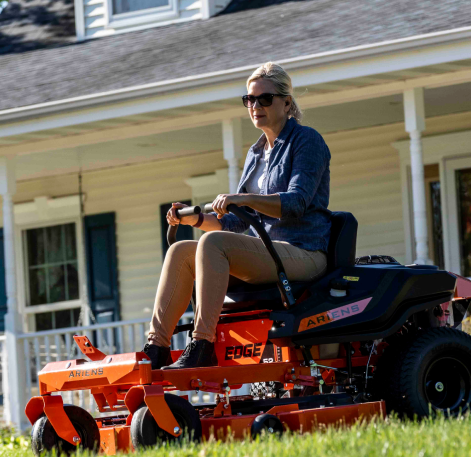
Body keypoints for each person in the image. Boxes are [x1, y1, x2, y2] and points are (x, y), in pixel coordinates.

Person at [142, 62, 332, 370]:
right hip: (269, 252)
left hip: (305, 252)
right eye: (249, 100)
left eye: (264, 99)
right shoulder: (256, 153)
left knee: (215, 244)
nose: (255, 106)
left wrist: (243, 198)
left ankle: (202, 344)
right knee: (181, 250)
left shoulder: (307, 141)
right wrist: (193, 220)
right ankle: (157, 348)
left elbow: (296, 203)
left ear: (286, 103)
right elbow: (236, 221)